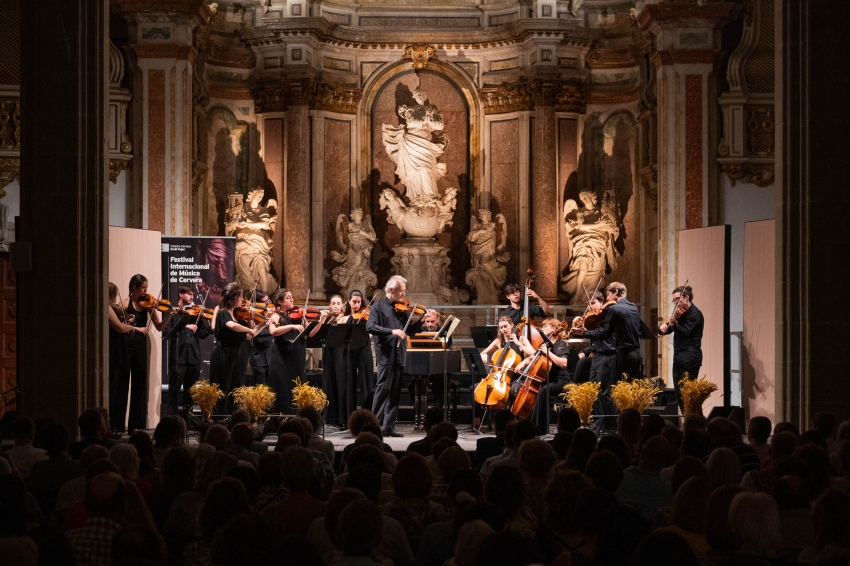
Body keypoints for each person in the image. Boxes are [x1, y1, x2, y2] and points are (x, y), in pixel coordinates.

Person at [366, 276, 437, 437]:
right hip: (385, 354)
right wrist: (392, 331)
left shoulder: (402, 309)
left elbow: (409, 331)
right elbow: (370, 326)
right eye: (401, 292)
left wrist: (421, 321)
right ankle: (373, 427)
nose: (403, 296)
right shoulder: (378, 307)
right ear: (390, 291)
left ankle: (388, 427)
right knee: (382, 389)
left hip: (400, 354)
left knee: (395, 392)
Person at [572, 281, 641, 431]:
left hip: (614, 355)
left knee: (606, 392)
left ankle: (609, 426)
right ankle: (606, 425)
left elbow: (605, 333)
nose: (608, 297)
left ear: (615, 292)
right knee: (598, 391)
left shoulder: (614, 310)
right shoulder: (633, 307)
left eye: (608, 294)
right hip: (631, 354)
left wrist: (582, 332)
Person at [120, 274, 177, 433]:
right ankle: (117, 425)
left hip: (140, 346)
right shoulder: (125, 303)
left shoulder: (149, 305)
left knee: (140, 384)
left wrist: (170, 315)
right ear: (134, 288)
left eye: (146, 287)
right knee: (122, 384)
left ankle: (136, 426)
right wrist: (130, 322)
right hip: (126, 345)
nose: (146, 291)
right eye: (143, 287)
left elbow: (159, 326)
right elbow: (118, 323)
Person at [513, 318, 569, 436]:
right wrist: (523, 362)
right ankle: (529, 425)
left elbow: (563, 363)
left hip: (561, 379)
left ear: (554, 329)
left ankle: (539, 427)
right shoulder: (544, 343)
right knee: (537, 389)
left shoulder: (560, 344)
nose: (542, 329)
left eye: (545, 326)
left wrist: (548, 352)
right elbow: (535, 357)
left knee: (543, 390)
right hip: (549, 378)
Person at [163, 284, 212, 416]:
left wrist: (212, 326)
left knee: (191, 393)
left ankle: (187, 420)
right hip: (178, 357)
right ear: (180, 294)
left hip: (194, 357)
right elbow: (167, 332)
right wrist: (185, 327)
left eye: (193, 295)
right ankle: (173, 420)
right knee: (174, 391)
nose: (192, 297)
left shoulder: (196, 314)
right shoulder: (172, 312)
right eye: (189, 294)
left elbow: (201, 334)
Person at [657, 285, 704, 414]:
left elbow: (686, 332)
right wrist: (662, 328)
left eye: (677, 299)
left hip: (690, 359)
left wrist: (673, 324)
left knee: (689, 397)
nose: (676, 303)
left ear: (686, 297)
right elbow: (671, 328)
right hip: (679, 359)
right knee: (680, 396)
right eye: (674, 300)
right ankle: (689, 422)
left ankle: (695, 423)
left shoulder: (695, 314)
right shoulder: (680, 314)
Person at [209, 283, 254, 414]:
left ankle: (232, 418)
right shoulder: (223, 313)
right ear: (233, 298)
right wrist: (249, 329)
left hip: (236, 355)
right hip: (223, 353)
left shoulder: (238, 316)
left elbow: (248, 336)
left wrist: (262, 325)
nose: (243, 300)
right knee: (222, 387)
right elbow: (231, 326)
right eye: (241, 297)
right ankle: (220, 418)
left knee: (235, 387)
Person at [107, 282, 141, 435]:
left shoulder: (111, 308)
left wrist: (127, 322)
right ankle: (112, 425)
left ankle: (113, 425)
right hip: (115, 350)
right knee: (114, 389)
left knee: (117, 388)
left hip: (117, 348)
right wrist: (132, 327)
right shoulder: (107, 307)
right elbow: (119, 328)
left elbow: (121, 324)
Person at [267, 288, 307, 413]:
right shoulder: (276, 316)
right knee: (283, 386)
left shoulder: (297, 316)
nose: (292, 300)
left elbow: (309, 333)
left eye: (292, 297)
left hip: (294, 356)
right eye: (288, 298)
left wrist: (319, 321)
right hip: (280, 356)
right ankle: (281, 418)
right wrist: (291, 326)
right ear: (280, 302)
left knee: (295, 386)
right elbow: (273, 331)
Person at [339, 289, 375, 409]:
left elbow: (371, 333)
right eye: (354, 302)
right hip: (349, 350)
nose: (357, 305)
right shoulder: (344, 318)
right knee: (349, 382)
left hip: (364, 348)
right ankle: (349, 414)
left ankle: (368, 412)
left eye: (359, 302)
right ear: (349, 301)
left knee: (366, 382)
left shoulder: (366, 315)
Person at [320, 294, 349, 427]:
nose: (336, 306)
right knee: (329, 382)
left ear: (342, 305)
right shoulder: (326, 319)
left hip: (341, 353)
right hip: (329, 352)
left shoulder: (345, 318)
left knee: (341, 383)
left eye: (338, 303)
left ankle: (342, 418)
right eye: (333, 303)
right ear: (330, 305)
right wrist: (323, 319)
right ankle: (330, 417)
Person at [247, 290, 273, 386]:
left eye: (268, 300)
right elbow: (252, 330)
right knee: (259, 386)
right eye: (265, 302)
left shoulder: (270, 312)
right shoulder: (252, 315)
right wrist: (264, 320)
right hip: (258, 356)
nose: (268, 303)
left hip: (270, 354)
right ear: (257, 303)